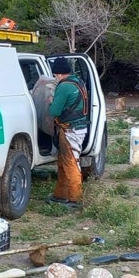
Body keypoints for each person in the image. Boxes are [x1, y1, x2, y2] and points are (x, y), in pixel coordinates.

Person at [47, 57, 88, 208]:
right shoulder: (78, 82)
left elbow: (54, 111)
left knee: (71, 164)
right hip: (79, 127)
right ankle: (61, 195)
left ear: (57, 73)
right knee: (64, 162)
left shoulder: (64, 87)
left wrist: (51, 101)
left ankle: (75, 200)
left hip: (70, 129)